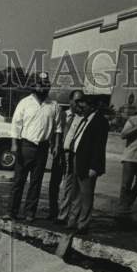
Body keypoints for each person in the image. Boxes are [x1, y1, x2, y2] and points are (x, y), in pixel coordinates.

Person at [8, 72, 58, 221]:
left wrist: (55, 145)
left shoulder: (53, 106)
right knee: (19, 181)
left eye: (45, 85)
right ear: (34, 86)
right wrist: (14, 144)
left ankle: (30, 213)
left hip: (43, 148)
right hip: (25, 146)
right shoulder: (24, 103)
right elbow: (16, 124)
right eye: (40, 84)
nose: (42, 88)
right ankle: (12, 212)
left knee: (36, 183)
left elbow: (58, 129)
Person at [63, 94, 109, 235]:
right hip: (77, 159)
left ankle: (83, 224)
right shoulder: (85, 119)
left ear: (92, 106)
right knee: (75, 192)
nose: (81, 108)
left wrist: (94, 167)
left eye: (84, 106)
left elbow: (99, 147)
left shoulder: (100, 122)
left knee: (86, 194)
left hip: (88, 163)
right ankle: (72, 221)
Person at [49, 89, 84, 221]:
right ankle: (53, 211)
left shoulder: (82, 118)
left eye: (81, 101)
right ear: (70, 101)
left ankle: (64, 214)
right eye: (76, 101)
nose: (78, 104)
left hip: (73, 155)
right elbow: (55, 132)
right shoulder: (62, 115)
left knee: (69, 185)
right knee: (55, 183)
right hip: (59, 153)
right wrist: (54, 147)